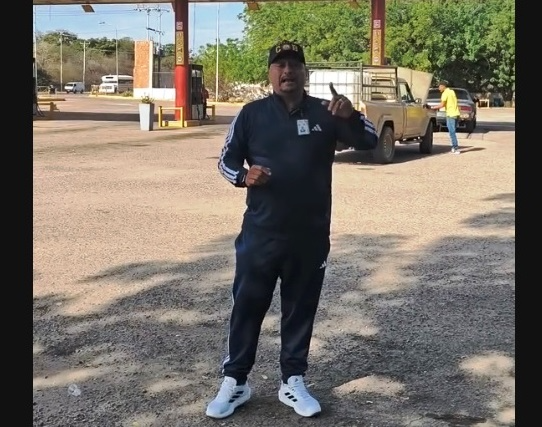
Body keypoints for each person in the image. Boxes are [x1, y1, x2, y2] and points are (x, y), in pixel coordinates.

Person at [207, 40, 378, 420]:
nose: (287, 71)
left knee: (300, 309)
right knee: (247, 306)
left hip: (310, 235)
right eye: (280, 65)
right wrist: (244, 176)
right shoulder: (251, 114)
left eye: (294, 65)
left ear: (305, 73)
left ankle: (293, 380)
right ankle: (235, 381)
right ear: (270, 73)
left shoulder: (326, 111)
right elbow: (226, 161)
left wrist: (350, 115)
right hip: (260, 234)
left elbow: (369, 141)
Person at [427, 80, 461, 154]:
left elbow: (442, 105)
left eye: (439, 87)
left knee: (452, 132)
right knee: (453, 131)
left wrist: (432, 108)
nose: (439, 88)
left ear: (443, 86)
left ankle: (455, 147)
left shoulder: (445, 93)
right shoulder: (452, 92)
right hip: (456, 114)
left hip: (450, 115)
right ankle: (454, 147)